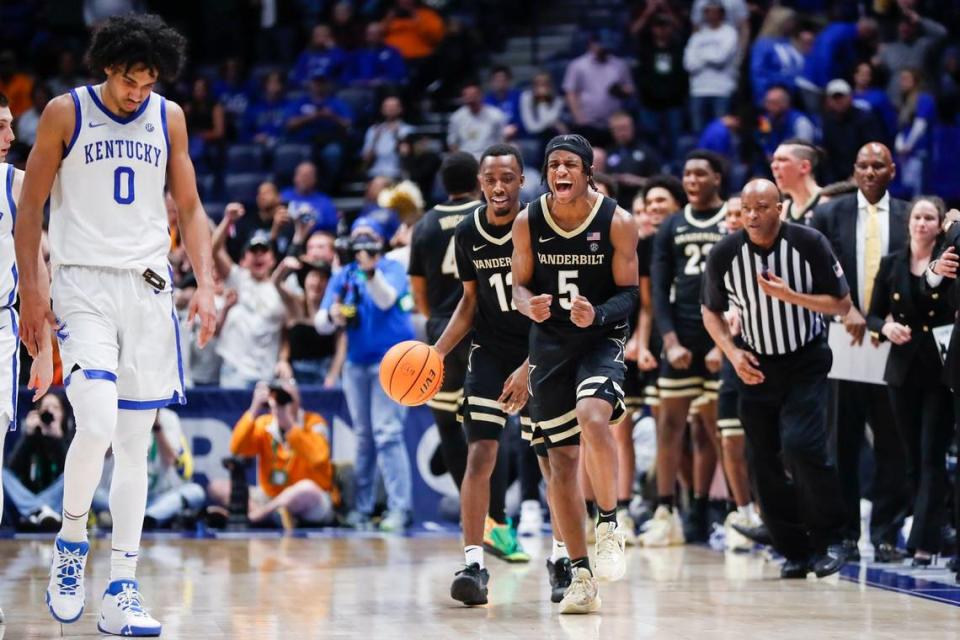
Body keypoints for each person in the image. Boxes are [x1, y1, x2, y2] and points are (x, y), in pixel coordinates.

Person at [15, 15, 217, 636]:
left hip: (149, 290)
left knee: (135, 446)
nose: (138, 92)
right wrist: (32, 291)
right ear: (107, 66)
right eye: (130, 80)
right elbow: (30, 210)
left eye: (148, 81)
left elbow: (189, 206)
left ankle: (122, 588)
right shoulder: (64, 112)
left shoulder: (170, 117)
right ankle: (71, 546)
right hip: (81, 284)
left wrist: (206, 283)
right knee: (96, 421)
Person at [701, 178, 852, 578]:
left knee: (802, 446)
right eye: (747, 207)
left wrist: (790, 297)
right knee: (762, 459)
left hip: (805, 358)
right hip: (754, 363)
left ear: (779, 208)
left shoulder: (808, 242)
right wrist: (732, 353)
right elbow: (710, 311)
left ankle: (833, 538)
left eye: (762, 207)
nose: (752, 215)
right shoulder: (725, 252)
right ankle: (794, 549)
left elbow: (841, 302)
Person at [512, 134, 638, 613]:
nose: (561, 172)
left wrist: (598, 315)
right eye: (553, 165)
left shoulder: (618, 221)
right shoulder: (528, 221)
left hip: (600, 336)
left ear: (588, 172)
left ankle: (608, 521)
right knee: (560, 466)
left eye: (570, 165)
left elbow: (630, 294)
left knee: (592, 414)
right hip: (550, 344)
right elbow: (518, 287)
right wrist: (530, 304)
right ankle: (581, 576)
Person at [434, 144, 542, 605]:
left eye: (508, 178)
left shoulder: (542, 226)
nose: (499, 187)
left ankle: (564, 558)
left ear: (521, 181)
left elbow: (550, 307)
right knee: (479, 454)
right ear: (480, 183)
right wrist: (435, 354)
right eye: (490, 178)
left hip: (542, 348)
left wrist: (528, 369)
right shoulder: (466, 231)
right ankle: (474, 564)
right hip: (491, 351)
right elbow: (469, 302)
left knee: (555, 457)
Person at [811, 142, 910, 563]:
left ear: (893, 169)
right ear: (853, 170)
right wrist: (847, 309)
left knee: (894, 442)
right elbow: (818, 269)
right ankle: (847, 534)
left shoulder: (910, 215)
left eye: (878, 166)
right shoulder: (831, 212)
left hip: (893, 338)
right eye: (863, 166)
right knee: (843, 442)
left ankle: (887, 532)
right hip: (843, 339)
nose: (869, 173)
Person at [645, 150, 727, 546]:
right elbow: (658, 292)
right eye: (687, 174)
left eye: (700, 174)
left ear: (717, 178)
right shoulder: (671, 227)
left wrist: (723, 345)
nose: (692, 180)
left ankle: (713, 510)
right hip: (680, 338)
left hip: (721, 339)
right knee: (669, 428)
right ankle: (666, 509)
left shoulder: (731, 220)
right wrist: (670, 341)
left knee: (716, 431)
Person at [867, 196, 953, 566]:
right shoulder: (891, 264)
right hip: (902, 368)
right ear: (909, 223)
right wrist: (886, 326)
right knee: (910, 455)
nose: (921, 223)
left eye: (929, 218)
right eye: (917, 217)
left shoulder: (949, 263)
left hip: (940, 366)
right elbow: (871, 315)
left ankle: (924, 541)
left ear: (939, 225)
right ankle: (934, 524)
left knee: (932, 452)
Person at [315, 216, 415, 531]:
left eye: (368, 237)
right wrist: (332, 316)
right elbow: (321, 321)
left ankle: (400, 509)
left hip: (392, 361)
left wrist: (370, 270)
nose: (362, 245)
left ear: (380, 242)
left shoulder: (392, 268)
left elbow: (385, 300)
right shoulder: (343, 274)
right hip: (356, 363)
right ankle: (362, 508)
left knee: (388, 433)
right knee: (364, 438)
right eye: (357, 238)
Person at [408, 152, 481, 498]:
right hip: (484, 326)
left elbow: (417, 292)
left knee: (448, 426)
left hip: (441, 329)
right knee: (489, 428)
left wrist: (437, 318)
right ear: (479, 180)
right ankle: (498, 516)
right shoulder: (486, 216)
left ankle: (472, 511)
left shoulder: (423, 225)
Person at [211, 380, 338, 526]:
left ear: (298, 400)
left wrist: (290, 426)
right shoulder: (265, 423)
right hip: (270, 496)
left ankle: (255, 517)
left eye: (287, 398)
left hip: (311, 501)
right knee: (216, 487)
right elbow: (237, 448)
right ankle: (276, 516)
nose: (282, 403)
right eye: (277, 399)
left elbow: (319, 458)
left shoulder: (314, 422)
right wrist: (254, 408)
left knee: (306, 488)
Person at [212, 211, 288, 389]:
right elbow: (214, 250)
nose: (259, 255)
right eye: (253, 251)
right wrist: (228, 220)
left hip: (267, 374)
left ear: (273, 259)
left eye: (264, 251)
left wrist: (283, 360)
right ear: (244, 259)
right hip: (235, 371)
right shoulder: (238, 278)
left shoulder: (282, 288)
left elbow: (286, 333)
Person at [4, 393, 70, 530]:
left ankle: (35, 511)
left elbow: (70, 470)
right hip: (28, 492)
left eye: (55, 408)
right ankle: (41, 510)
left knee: (74, 475)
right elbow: (11, 470)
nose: (50, 411)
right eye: (46, 407)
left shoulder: (67, 436)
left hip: (58, 499)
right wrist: (28, 435)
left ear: (63, 414)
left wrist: (58, 439)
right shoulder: (31, 435)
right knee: (2, 474)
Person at [683, 0, 739, 134]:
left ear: (721, 13)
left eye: (715, 11)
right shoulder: (697, 36)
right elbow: (688, 64)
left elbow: (720, 58)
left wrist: (701, 56)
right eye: (708, 11)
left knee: (721, 132)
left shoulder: (729, 33)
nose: (711, 15)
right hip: (698, 90)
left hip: (721, 90)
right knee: (698, 132)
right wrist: (710, 56)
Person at [821, 79, 884, 185]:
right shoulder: (827, 122)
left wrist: (859, 173)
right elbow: (828, 155)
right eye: (835, 98)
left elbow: (873, 149)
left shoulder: (865, 119)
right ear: (828, 101)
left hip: (863, 175)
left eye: (842, 97)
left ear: (850, 97)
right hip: (837, 178)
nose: (839, 101)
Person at [447, 81, 506, 160]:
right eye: (467, 96)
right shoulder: (456, 117)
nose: (471, 99)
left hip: (489, 158)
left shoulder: (496, 115)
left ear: (481, 96)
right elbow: (452, 143)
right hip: (465, 159)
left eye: (474, 96)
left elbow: (502, 140)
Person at [771, 140, 822, 225]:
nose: (774, 166)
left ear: (804, 167)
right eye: (773, 160)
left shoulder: (827, 202)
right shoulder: (784, 209)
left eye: (782, 160)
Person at [362, 96, 414, 180]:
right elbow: (366, 159)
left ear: (400, 109)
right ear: (382, 110)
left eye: (394, 106)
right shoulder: (373, 130)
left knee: (379, 183)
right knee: (378, 181)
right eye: (387, 106)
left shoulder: (408, 130)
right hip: (375, 173)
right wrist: (375, 140)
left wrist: (398, 138)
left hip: (398, 173)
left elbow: (410, 158)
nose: (390, 109)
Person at [280, 161, 339, 236]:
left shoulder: (324, 201)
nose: (304, 179)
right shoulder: (284, 196)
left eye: (308, 176)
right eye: (301, 175)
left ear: (315, 179)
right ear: (295, 177)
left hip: (315, 240)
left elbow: (331, 226)